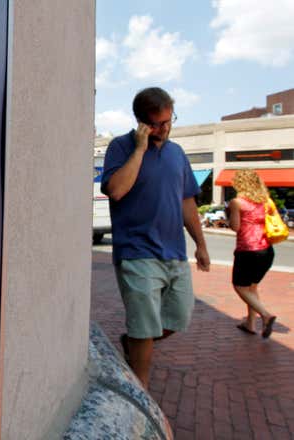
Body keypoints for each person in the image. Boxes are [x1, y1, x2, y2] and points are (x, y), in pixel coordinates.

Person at [101, 87, 210, 389]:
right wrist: (140, 149)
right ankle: (142, 392)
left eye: (168, 121)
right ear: (141, 122)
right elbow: (116, 190)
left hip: (174, 252)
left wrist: (200, 245)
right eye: (157, 123)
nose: (165, 128)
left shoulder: (176, 153)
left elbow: (187, 202)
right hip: (136, 252)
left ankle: (133, 341)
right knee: (145, 325)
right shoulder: (121, 147)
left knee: (178, 317)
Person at [228, 169, 277, 338]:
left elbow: (235, 227)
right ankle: (250, 324)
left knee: (239, 286)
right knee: (252, 287)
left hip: (247, 251)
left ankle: (265, 314)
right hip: (267, 251)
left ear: (240, 184)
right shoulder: (267, 202)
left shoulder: (237, 202)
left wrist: (230, 216)